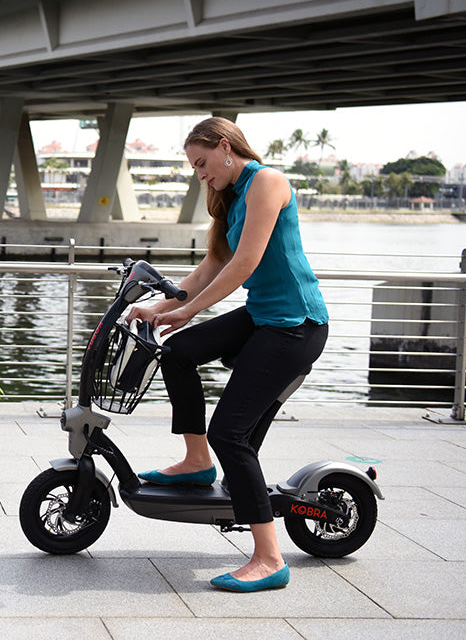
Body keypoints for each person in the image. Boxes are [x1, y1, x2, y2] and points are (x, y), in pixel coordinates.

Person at [127, 116, 328, 592]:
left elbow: (245, 262)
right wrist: (163, 306)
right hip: (263, 316)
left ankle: (268, 558)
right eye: (194, 168)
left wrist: (191, 310)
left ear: (224, 146)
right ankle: (197, 460)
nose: (200, 174)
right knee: (177, 352)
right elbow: (214, 262)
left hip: (296, 325)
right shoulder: (231, 198)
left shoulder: (268, 182)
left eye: (201, 163)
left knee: (231, 433)